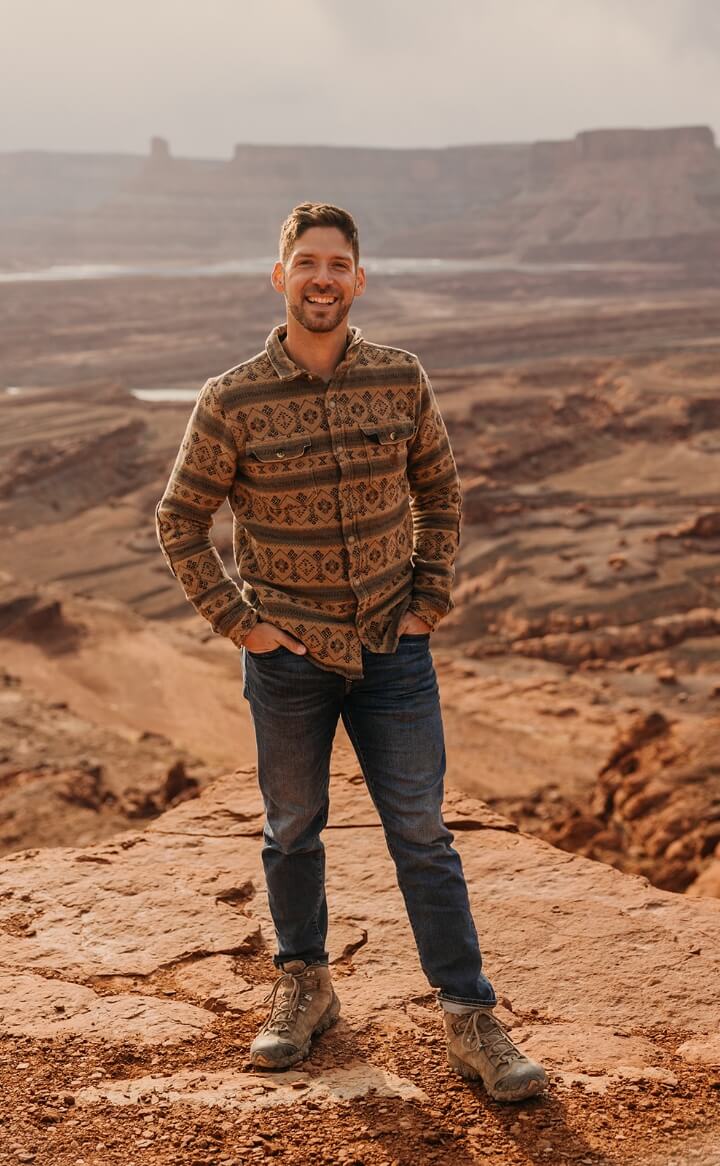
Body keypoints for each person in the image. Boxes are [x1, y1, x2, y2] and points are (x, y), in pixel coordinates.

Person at [155, 202, 548, 1102]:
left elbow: (439, 490)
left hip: (392, 648)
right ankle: (306, 984)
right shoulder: (232, 398)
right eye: (306, 263)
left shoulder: (400, 378)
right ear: (280, 277)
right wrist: (240, 623)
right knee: (292, 830)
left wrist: (429, 600)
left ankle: (469, 1017)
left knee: (421, 833)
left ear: (358, 280)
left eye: (338, 264)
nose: (322, 278)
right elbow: (179, 520)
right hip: (287, 657)